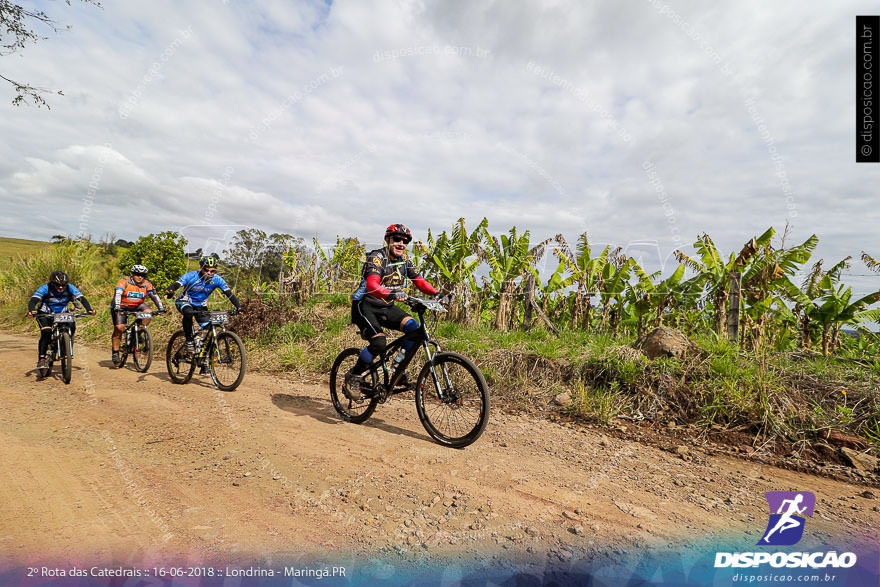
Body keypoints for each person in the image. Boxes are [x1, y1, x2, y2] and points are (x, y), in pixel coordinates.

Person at [346, 223, 441, 399]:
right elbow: (373, 285)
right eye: (397, 239)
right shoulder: (377, 257)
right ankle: (354, 376)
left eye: (405, 241)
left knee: (414, 330)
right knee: (379, 343)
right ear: (388, 240)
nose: (401, 244)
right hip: (365, 305)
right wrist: (391, 292)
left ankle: (398, 368)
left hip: (386, 307)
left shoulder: (405, 261)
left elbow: (419, 281)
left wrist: (437, 294)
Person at [164, 255, 243, 355]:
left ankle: (203, 357)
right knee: (188, 313)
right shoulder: (191, 276)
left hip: (201, 306)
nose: (209, 273)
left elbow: (229, 294)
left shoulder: (218, 280)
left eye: (212, 271)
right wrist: (170, 290)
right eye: (206, 270)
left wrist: (238, 306)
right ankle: (189, 340)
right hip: (184, 302)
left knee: (210, 329)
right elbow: (177, 284)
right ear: (201, 268)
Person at [26, 270, 96, 370]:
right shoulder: (45, 288)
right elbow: (33, 301)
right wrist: (31, 311)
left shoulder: (70, 287)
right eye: (57, 285)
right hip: (45, 313)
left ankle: (65, 343)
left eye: (63, 285)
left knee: (72, 326)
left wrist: (89, 309)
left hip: (62, 313)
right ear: (52, 283)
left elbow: (82, 299)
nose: (60, 287)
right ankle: (42, 358)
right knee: (46, 332)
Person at [110, 264, 165, 365]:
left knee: (148, 312)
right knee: (119, 328)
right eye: (137, 274)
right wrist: (117, 306)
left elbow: (154, 296)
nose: (140, 277)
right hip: (121, 305)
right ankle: (115, 352)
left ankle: (138, 331)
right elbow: (117, 294)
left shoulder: (147, 284)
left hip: (137, 304)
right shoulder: (124, 282)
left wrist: (161, 308)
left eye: (143, 275)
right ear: (132, 274)